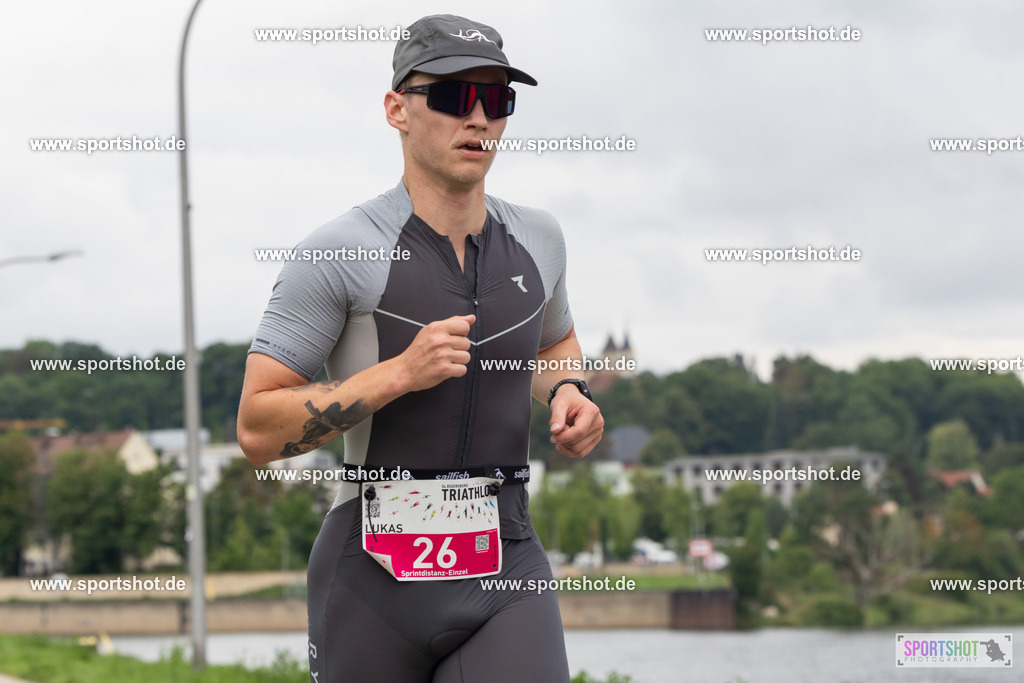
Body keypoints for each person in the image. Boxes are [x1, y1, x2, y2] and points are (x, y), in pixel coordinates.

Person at [237, 14, 603, 682]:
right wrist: (397, 375)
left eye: (497, 100)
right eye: (454, 97)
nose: (480, 119)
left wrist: (570, 391)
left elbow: (556, 342)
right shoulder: (338, 251)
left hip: (506, 562)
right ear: (397, 109)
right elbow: (257, 428)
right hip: (371, 579)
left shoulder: (541, 239)